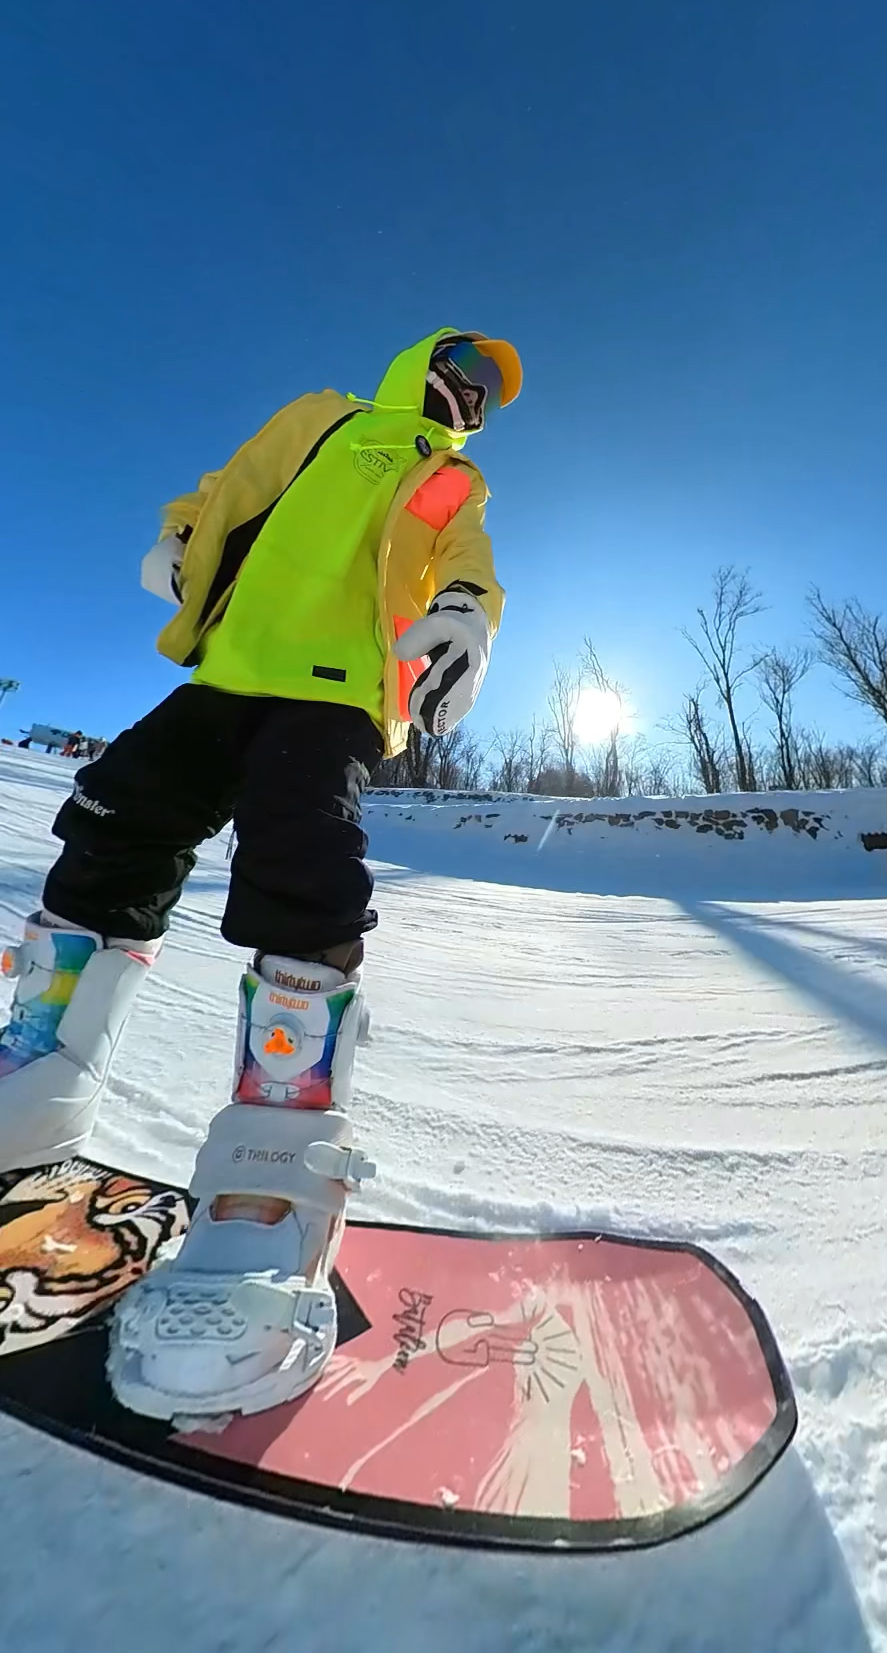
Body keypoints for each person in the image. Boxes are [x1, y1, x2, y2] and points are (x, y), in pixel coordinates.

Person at [0, 328, 521, 1423]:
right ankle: (39, 1072)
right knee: (110, 827)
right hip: (228, 671)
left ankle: (275, 1167)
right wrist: (181, 533)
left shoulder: (451, 476)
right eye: (461, 366)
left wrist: (469, 612)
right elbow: (231, 484)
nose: (469, 394)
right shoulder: (325, 417)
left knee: (303, 870)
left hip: (333, 691)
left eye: (485, 393)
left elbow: (466, 558)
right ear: (419, 357)